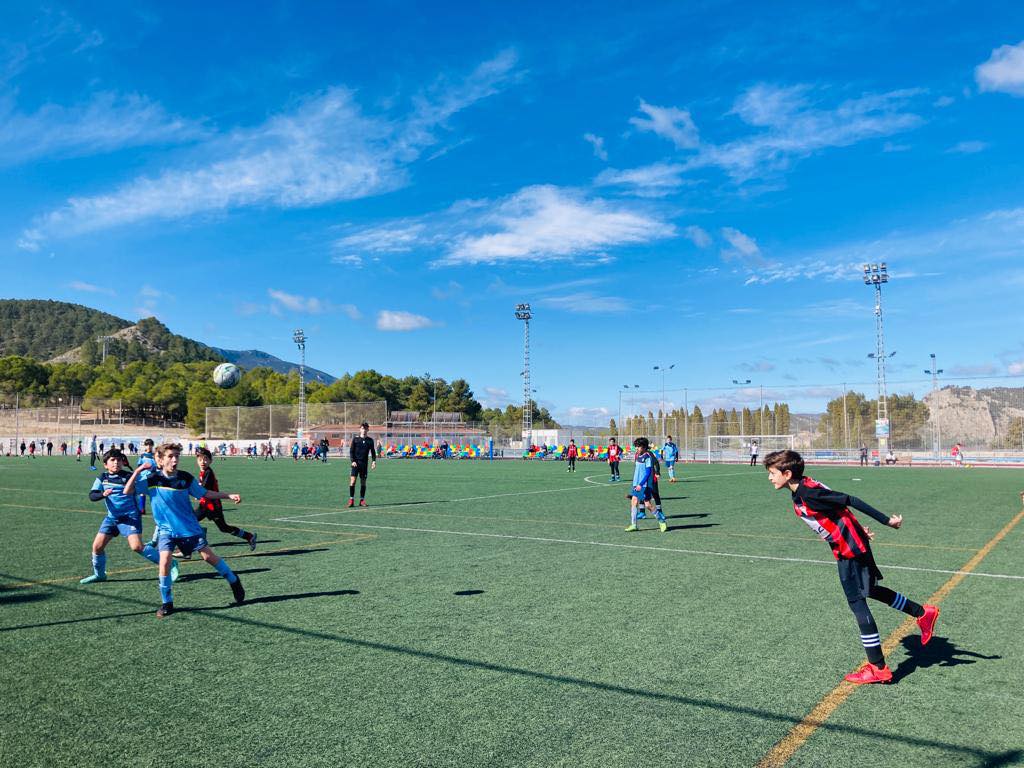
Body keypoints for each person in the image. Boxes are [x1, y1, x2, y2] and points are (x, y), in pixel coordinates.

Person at [763, 449, 939, 684]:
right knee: (870, 591)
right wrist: (856, 529)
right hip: (850, 547)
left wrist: (887, 521)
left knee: (857, 602)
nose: (770, 478)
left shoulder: (808, 493)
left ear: (787, 473)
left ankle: (877, 667)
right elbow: (837, 511)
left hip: (850, 552)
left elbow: (849, 500)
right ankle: (922, 613)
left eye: (772, 473)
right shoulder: (801, 490)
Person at [123, 442, 245, 618]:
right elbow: (128, 491)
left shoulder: (185, 478)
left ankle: (234, 580)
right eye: (170, 456)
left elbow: (204, 493)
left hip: (189, 528)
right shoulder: (151, 480)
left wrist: (228, 495)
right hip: (166, 531)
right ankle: (167, 603)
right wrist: (138, 471)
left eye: (177, 456)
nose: (174, 460)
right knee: (164, 561)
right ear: (162, 459)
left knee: (208, 557)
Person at [79, 449, 179, 585]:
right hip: (112, 518)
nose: (116, 463)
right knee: (97, 547)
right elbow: (92, 495)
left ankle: (170, 563)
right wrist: (103, 494)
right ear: (105, 464)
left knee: (137, 547)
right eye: (113, 460)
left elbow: (147, 482)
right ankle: (100, 575)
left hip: (130, 517)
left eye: (119, 460)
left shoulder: (128, 477)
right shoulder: (102, 478)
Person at [195, 447, 257, 551]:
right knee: (221, 527)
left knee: (223, 528)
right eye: (200, 459)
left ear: (211, 461)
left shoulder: (208, 473)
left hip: (212, 506)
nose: (203, 462)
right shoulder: (204, 471)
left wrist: (196, 492)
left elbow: (203, 491)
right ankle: (249, 536)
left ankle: (198, 538)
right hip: (206, 504)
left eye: (206, 459)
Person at [624, 438, 666, 533]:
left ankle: (661, 521)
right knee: (634, 501)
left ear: (644, 447)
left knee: (648, 505)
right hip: (636, 484)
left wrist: (641, 484)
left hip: (644, 485)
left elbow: (647, 473)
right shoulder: (638, 455)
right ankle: (634, 524)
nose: (637, 448)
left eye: (638, 446)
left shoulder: (647, 457)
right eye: (636, 446)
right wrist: (635, 483)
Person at [347, 422, 377, 507]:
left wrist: (374, 461)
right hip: (355, 464)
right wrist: (353, 461)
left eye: (365, 428)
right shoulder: (355, 439)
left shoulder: (370, 441)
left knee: (363, 482)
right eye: (362, 428)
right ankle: (351, 500)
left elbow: (373, 452)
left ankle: (362, 500)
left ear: (368, 429)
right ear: (360, 429)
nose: (364, 430)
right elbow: (351, 451)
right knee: (352, 482)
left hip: (364, 464)